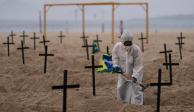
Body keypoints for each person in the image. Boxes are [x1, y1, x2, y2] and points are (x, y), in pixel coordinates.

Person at [112, 31, 144, 105]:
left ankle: (137, 105)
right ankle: (122, 103)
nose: (128, 45)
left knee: (136, 89)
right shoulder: (117, 47)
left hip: (135, 73)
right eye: (126, 43)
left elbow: (138, 65)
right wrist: (116, 65)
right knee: (121, 88)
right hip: (122, 73)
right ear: (122, 41)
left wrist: (135, 76)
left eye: (129, 43)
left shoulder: (136, 50)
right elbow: (115, 58)